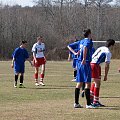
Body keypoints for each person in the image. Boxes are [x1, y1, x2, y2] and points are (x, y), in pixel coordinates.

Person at [68, 29, 96, 108]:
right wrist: (84, 58)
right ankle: (88, 104)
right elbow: (85, 48)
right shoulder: (89, 41)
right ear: (89, 34)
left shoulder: (81, 41)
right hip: (85, 63)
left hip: (79, 64)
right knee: (88, 83)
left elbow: (69, 46)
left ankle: (76, 103)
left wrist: (75, 53)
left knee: (79, 83)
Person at [90, 39, 115, 107]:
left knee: (95, 82)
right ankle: (95, 101)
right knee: (98, 83)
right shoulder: (108, 52)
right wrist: (106, 75)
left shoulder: (101, 48)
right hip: (95, 65)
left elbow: (93, 56)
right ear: (112, 45)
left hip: (94, 64)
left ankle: (91, 98)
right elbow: (107, 65)